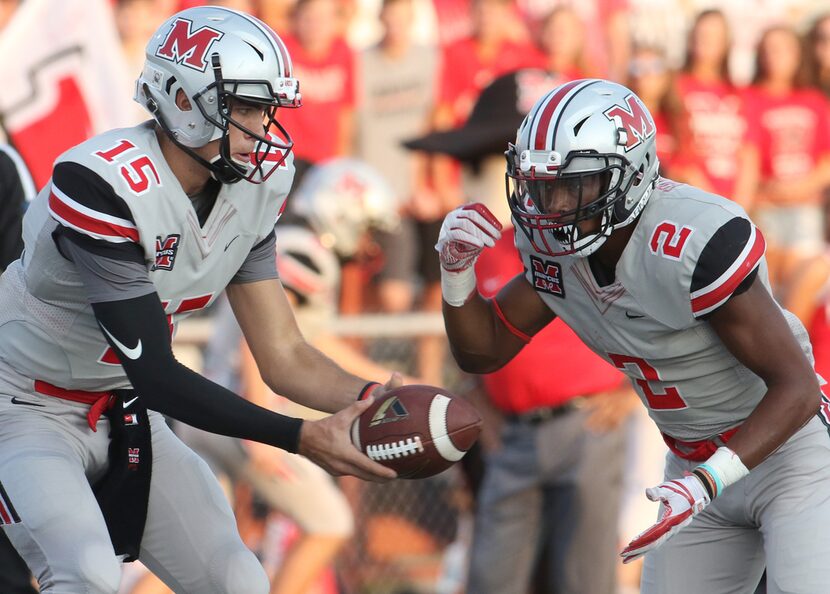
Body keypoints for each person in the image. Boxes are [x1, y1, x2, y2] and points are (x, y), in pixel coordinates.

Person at [0, 7, 398, 594]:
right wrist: (300, 437)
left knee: (237, 578)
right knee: (86, 573)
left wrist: (376, 398)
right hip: (23, 409)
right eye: (245, 107)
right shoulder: (102, 184)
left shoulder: (251, 189)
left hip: (122, 407)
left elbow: (284, 354)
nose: (262, 127)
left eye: (266, 109)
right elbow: (157, 372)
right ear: (184, 100)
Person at [435, 78, 830, 594]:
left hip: (787, 459)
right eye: (539, 183)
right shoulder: (554, 250)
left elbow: (797, 388)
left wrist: (706, 482)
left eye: (572, 183)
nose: (550, 204)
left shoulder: (690, 240)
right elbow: (482, 352)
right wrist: (456, 274)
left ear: (631, 173)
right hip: (692, 465)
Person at [406, 69, 637, 594]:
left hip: (590, 425)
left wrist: (631, 390)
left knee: (584, 579)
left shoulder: (593, 238)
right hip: (511, 432)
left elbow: (658, 312)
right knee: (494, 577)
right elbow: (471, 340)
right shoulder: (481, 243)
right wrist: (474, 396)